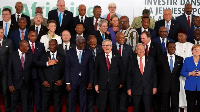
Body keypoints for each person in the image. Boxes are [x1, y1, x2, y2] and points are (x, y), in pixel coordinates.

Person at [8, 40, 57, 112]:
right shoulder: (12, 55)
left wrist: (47, 63)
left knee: (25, 104)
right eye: (27, 47)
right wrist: (10, 84)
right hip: (15, 84)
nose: (28, 48)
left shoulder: (30, 55)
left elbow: (37, 63)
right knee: (14, 105)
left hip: (26, 84)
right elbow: (9, 71)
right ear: (21, 47)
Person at [94, 39, 124, 112]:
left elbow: (122, 71)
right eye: (104, 45)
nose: (106, 47)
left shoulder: (117, 56)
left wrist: (121, 82)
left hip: (114, 85)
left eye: (107, 45)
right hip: (102, 85)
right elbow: (95, 72)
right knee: (102, 107)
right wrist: (96, 84)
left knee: (114, 106)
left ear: (111, 46)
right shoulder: (99, 56)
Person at [65, 36, 94, 112]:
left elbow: (91, 69)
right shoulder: (69, 52)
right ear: (77, 43)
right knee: (71, 102)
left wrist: (90, 82)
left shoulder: (88, 52)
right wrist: (67, 83)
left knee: (83, 101)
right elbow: (67, 68)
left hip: (84, 81)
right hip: (72, 81)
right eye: (82, 43)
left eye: (84, 43)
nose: (84, 45)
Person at [127, 43, 157, 112]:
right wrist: (129, 88)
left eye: (142, 49)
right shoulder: (131, 61)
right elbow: (129, 76)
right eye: (139, 49)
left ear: (145, 50)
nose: (141, 50)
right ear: (136, 51)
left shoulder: (151, 60)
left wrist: (154, 87)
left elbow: (154, 74)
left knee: (147, 108)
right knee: (136, 109)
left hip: (148, 89)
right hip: (136, 89)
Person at [39, 39, 65, 112]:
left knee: (57, 107)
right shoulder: (43, 56)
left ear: (57, 45)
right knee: (44, 106)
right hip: (46, 85)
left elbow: (65, 71)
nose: (52, 46)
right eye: (50, 45)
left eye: (54, 45)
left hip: (57, 85)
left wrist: (62, 80)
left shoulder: (62, 57)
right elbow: (40, 70)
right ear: (48, 46)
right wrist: (43, 81)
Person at [157, 42, 183, 112]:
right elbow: (158, 73)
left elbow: (181, 72)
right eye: (170, 47)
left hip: (175, 86)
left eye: (173, 47)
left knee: (175, 105)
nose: (172, 48)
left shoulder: (180, 59)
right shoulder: (161, 59)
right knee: (165, 106)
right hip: (164, 86)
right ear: (166, 48)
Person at [112, 32, 133, 112]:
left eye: (123, 38)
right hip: (114, 76)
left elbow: (131, 62)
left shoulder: (128, 48)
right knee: (115, 96)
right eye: (120, 38)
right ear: (116, 39)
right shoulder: (112, 47)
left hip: (125, 75)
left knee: (124, 96)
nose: (122, 40)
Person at [175, 30, 193, 112]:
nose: (179, 37)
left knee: (187, 91)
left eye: (181, 36)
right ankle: (178, 107)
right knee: (179, 90)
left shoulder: (191, 45)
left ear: (186, 36)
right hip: (177, 72)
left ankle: (186, 108)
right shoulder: (175, 45)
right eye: (178, 36)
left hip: (189, 73)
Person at [27, 29, 45, 112]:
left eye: (35, 35)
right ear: (28, 36)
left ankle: (39, 109)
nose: (34, 37)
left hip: (38, 74)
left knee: (38, 94)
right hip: (27, 74)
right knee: (29, 95)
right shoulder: (24, 45)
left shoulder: (41, 45)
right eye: (32, 35)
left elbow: (42, 59)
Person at [181, 44, 200, 112]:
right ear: (192, 51)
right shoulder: (187, 60)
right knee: (190, 106)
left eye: (198, 49)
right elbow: (182, 72)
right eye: (195, 49)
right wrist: (190, 73)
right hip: (190, 87)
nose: (196, 51)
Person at [86, 35, 103, 112]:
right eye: (91, 44)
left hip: (99, 77)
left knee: (100, 98)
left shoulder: (101, 49)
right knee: (90, 98)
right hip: (88, 76)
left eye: (94, 44)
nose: (93, 46)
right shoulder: (85, 50)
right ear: (87, 43)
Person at [0, 26, 14, 112]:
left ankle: (7, 109)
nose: (0, 34)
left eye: (1, 32)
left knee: (5, 92)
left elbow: (11, 58)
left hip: (5, 72)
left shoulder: (9, 42)